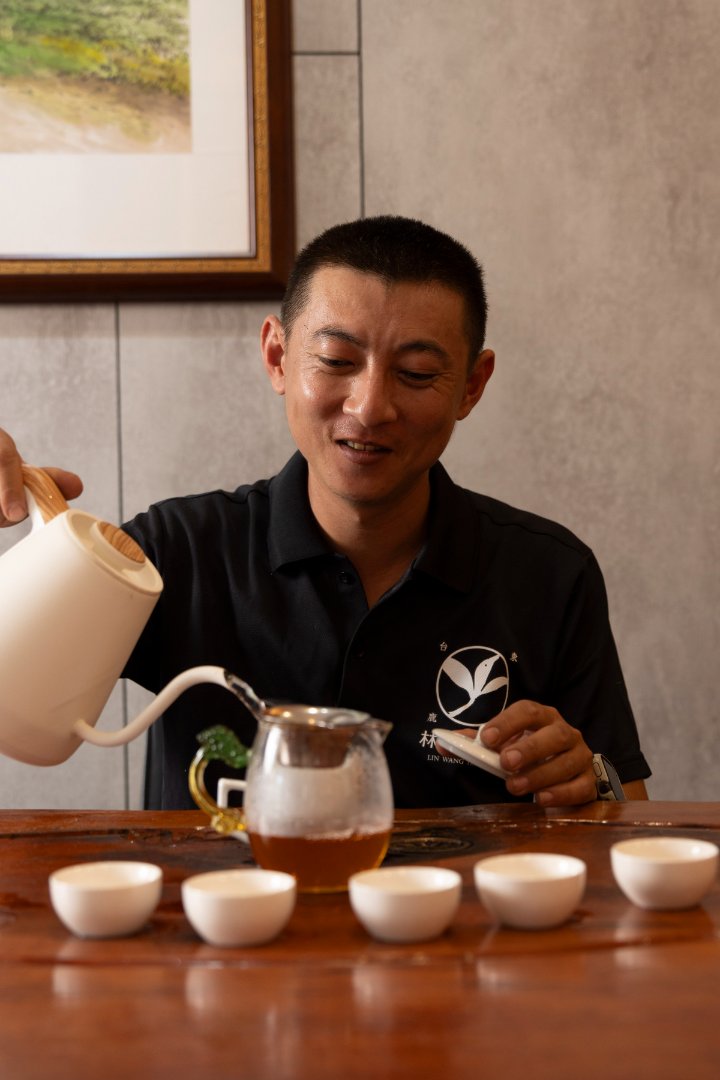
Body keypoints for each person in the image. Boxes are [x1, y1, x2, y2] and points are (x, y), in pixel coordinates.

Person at [0, 215, 650, 809]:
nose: (369, 408)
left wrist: (590, 783)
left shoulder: (547, 573)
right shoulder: (182, 552)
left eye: (418, 373)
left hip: (460, 931)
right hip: (217, 929)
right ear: (278, 357)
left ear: (471, 387)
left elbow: (626, 810)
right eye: (337, 361)